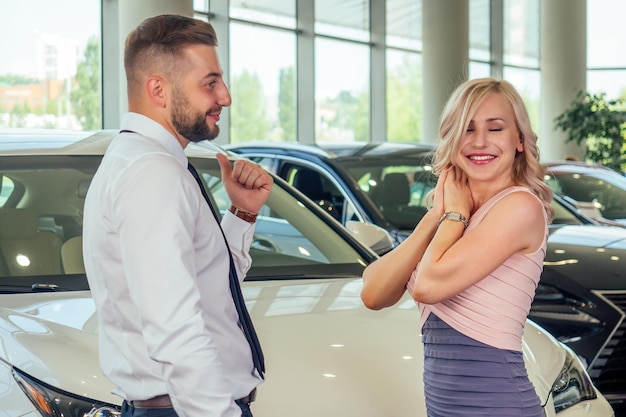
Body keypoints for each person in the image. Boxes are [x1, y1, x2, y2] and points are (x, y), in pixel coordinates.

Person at [83, 14, 273, 417]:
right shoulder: (152, 174)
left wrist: (240, 214)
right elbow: (175, 328)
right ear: (158, 89)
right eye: (210, 82)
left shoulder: (146, 164)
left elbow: (208, 293)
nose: (225, 97)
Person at [360, 78, 554, 417]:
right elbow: (373, 293)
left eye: (495, 129)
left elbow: (428, 287)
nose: (480, 141)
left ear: (519, 140)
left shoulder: (519, 207)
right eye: (467, 128)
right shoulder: (454, 213)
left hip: (497, 404)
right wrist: (437, 214)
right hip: (444, 406)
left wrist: (450, 216)